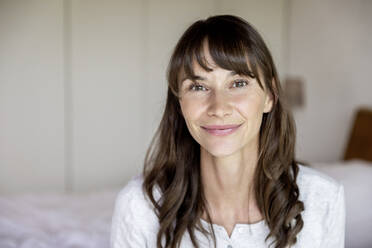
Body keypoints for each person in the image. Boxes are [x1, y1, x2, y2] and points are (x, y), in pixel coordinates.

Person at [110, 15, 345, 248]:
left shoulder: (322, 199)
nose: (219, 108)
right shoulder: (139, 206)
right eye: (198, 87)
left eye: (238, 83)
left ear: (270, 97)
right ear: (179, 103)